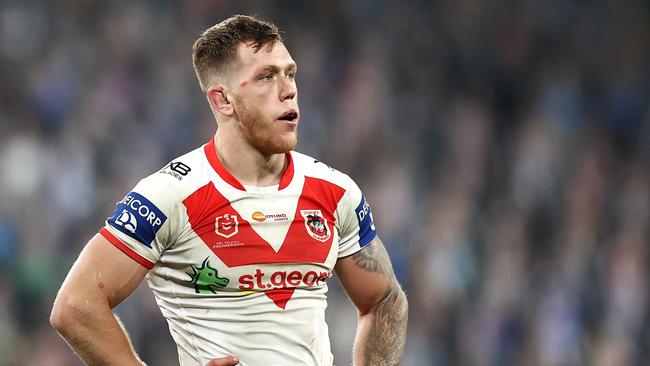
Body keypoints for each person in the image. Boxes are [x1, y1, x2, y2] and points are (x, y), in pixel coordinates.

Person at [50, 15, 407, 366]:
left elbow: (384, 299)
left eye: (290, 73)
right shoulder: (170, 195)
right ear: (222, 100)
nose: (289, 90)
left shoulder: (335, 191)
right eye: (267, 77)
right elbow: (76, 306)